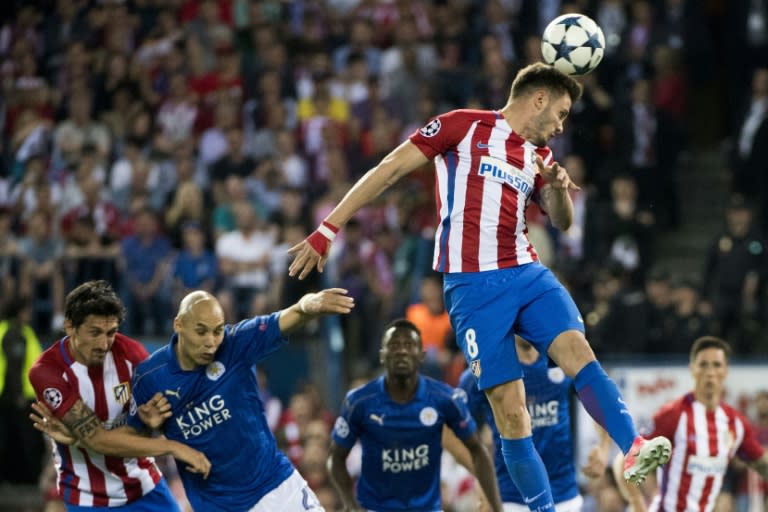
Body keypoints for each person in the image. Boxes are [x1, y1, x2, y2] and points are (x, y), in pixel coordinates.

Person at [288, 61, 671, 510]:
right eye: (562, 113)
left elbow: (563, 223)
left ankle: (633, 447)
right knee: (512, 414)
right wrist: (328, 228)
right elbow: (390, 169)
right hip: (473, 287)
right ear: (539, 99)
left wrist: (556, 189)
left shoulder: (540, 156)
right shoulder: (462, 127)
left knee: (578, 350)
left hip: (527, 271)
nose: (562, 125)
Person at [125, 287, 354, 511]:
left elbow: (280, 320)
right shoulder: (150, 378)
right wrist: (149, 428)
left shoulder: (235, 344)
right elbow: (130, 444)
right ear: (178, 325)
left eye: (217, 330)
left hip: (277, 486)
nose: (211, 341)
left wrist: (306, 307)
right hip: (218, 505)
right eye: (201, 331)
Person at [27, 280, 211, 511]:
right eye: (95, 333)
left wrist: (149, 424)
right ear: (70, 326)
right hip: (87, 498)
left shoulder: (133, 356)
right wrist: (173, 447)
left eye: (111, 332)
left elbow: (152, 421)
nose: (104, 344)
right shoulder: (48, 372)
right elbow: (97, 439)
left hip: (144, 486)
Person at [326, 318, 503, 512]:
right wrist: (351, 505)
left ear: (422, 355)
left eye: (409, 345)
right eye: (394, 345)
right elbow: (335, 458)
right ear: (382, 355)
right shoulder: (359, 402)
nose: (401, 351)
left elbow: (477, 450)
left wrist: (497, 507)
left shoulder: (444, 399)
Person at [449, 336, 611, 512]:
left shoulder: (560, 358)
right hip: (510, 498)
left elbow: (599, 399)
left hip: (564, 495)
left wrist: (603, 446)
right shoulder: (487, 367)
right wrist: (482, 476)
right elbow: (449, 427)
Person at [613, 336, 768, 512]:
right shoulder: (673, 414)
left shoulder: (736, 424)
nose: (710, 372)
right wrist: (636, 502)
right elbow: (624, 460)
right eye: (703, 364)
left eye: (716, 365)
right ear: (692, 369)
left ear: (726, 370)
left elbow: (761, 463)